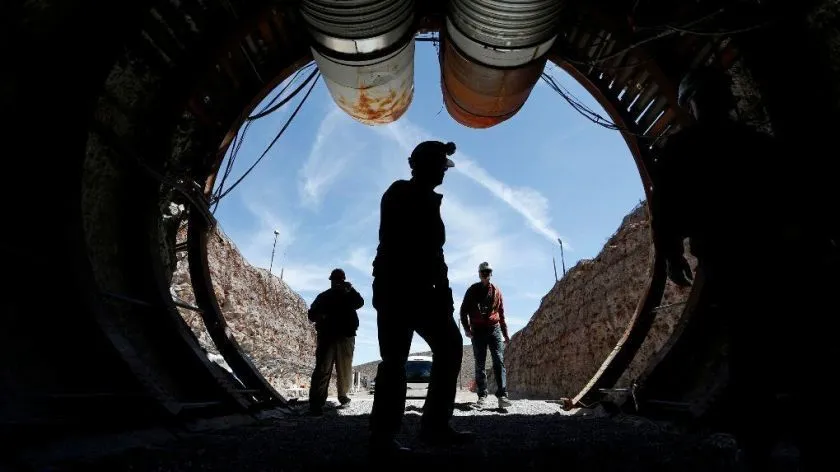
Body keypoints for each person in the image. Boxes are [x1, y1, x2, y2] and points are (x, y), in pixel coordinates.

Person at [650, 65, 833, 471]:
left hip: (733, 259)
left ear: (691, 103)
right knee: (782, 345)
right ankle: (791, 439)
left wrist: (671, 253)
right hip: (768, 259)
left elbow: (666, 208)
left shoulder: (685, 149)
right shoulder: (756, 145)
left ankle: (759, 444)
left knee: (751, 348)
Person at [369, 140, 474, 455]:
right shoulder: (401, 193)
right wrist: (435, 289)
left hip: (422, 292)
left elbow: (435, 255)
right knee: (395, 361)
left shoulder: (425, 198)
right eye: (442, 165)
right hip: (399, 289)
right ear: (425, 164)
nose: (445, 171)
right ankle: (384, 437)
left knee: (450, 346)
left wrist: (443, 293)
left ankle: (434, 427)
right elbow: (413, 249)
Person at [306, 268, 363, 416]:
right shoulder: (324, 297)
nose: (337, 283)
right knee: (323, 370)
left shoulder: (349, 294)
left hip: (346, 336)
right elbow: (311, 315)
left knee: (344, 369)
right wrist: (322, 316)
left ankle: (342, 397)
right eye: (335, 280)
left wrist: (351, 290)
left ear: (343, 280)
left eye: (340, 280)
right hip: (327, 338)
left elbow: (360, 303)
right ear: (331, 281)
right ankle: (316, 403)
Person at [460, 261, 512, 408]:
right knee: (480, 363)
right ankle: (482, 396)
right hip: (477, 331)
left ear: (491, 274)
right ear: (479, 274)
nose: (485, 274)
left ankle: (502, 396)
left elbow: (501, 314)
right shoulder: (472, 291)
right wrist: (467, 329)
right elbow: (463, 311)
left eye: (488, 272)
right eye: (483, 272)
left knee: (498, 360)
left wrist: (505, 334)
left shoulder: (497, 292)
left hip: (494, 330)